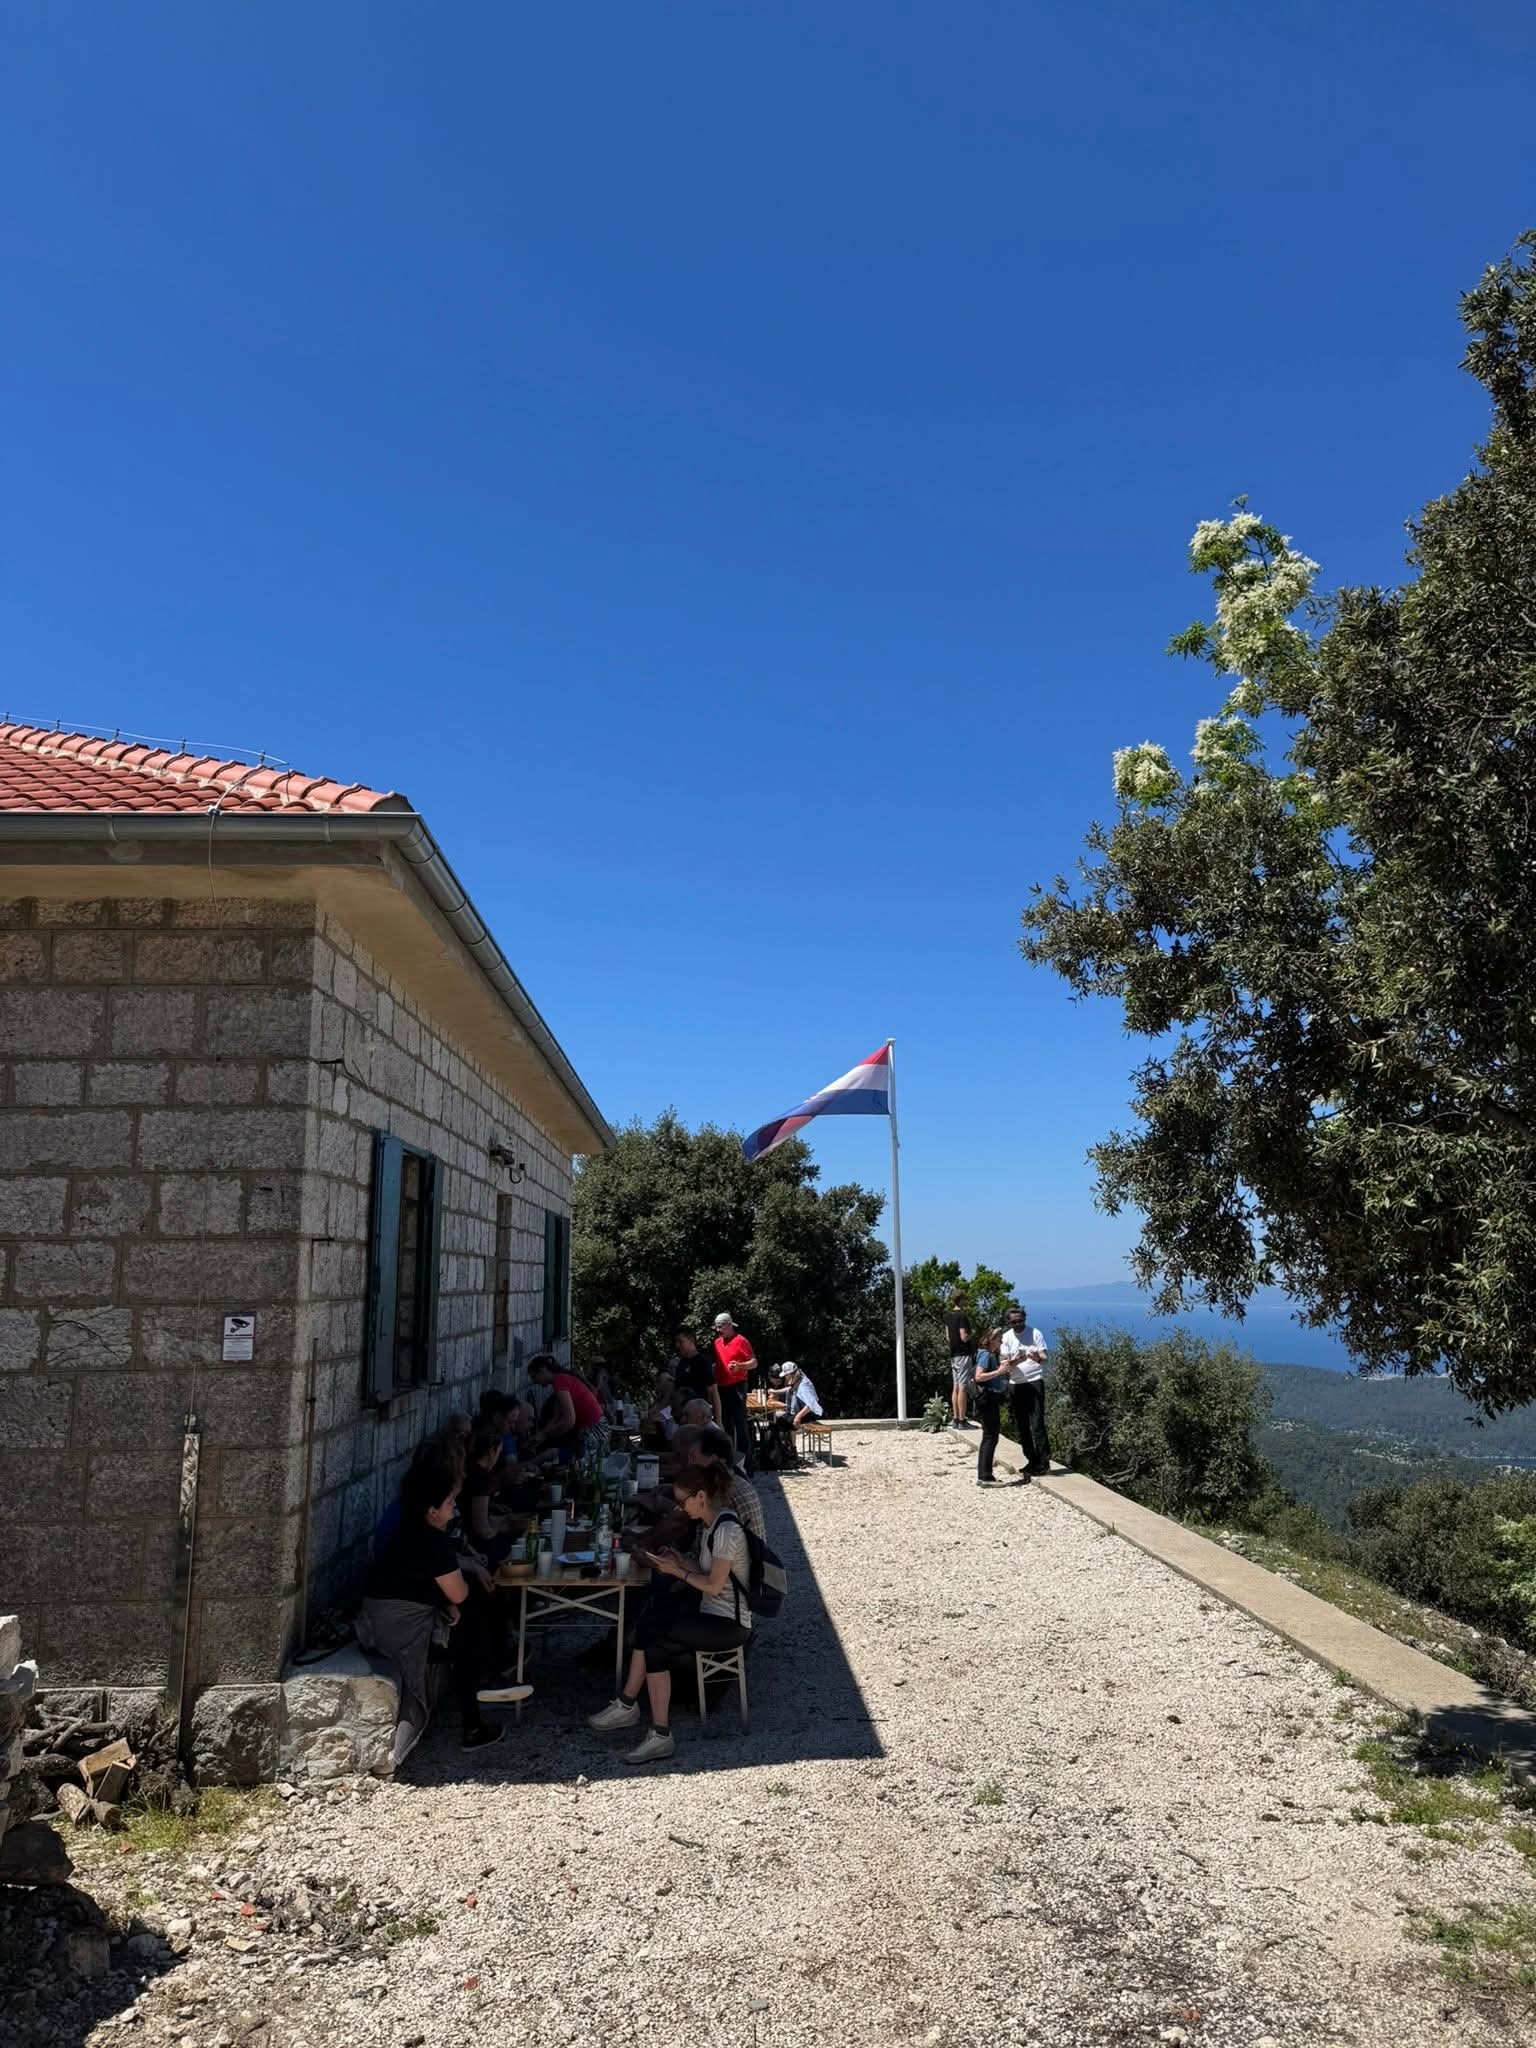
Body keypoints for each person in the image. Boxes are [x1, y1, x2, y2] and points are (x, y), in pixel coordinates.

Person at [357, 1452, 531, 1760]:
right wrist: (457, 1596)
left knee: (468, 1611)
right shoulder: (433, 1541)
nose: (453, 1509)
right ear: (432, 1510)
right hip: (400, 1633)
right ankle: (475, 1716)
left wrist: (450, 1598)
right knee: (473, 1615)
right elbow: (459, 1593)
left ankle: (489, 1675)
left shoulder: (407, 1530)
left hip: (379, 1621)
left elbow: (424, 1582)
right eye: (450, 1503)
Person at [586, 1458, 752, 1765]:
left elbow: (715, 1585)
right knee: (655, 1646)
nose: (680, 1508)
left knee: (652, 1626)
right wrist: (679, 1562)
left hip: (728, 1623)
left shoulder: (726, 1530)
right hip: (712, 1614)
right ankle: (659, 1734)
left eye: (682, 1501)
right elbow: (706, 1570)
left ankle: (628, 1705)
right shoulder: (713, 1525)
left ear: (700, 1497)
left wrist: (677, 1572)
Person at [679, 1422, 766, 1539]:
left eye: (693, 1458)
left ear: (714, 1460)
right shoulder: (736, 1480)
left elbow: (704, 1547)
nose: (689, 1463)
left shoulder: (719, 1491)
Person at [997, 1304, 1052, 1477]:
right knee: (1022, 1425)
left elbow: (1044, 1357)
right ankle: (1031, 1459)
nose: (1018, 1325)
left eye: (1021, 1321)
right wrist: (1019, 1359)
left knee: (1037, 1424)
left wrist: (1036, 1357)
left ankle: (1043, 1462)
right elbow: (1005, 1364)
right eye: (1014, 1322)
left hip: (1034, 1381)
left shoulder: (1035, 1333)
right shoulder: (1006, 1338)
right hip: (1016, 1383)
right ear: (1009, 1322)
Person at [529, 1353, 607, 1463]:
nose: (534, 1382)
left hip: (595, 1430)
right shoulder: (560, 1382)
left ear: (542, 1370)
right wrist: (540, 1435)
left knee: (562, 1457)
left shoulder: (560, 1381)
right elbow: (556, 1419)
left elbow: (569, 1421)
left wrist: (545, 1435)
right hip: (596, 1428)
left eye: (534, 1377)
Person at [712, 1312, 757, 1468]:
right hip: (722, 1387)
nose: (718, 1330)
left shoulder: (741, 1340)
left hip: (738, 1385)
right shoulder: (717, 1343)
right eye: (716, 1327)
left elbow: (754, 1362)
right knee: (725, 1424)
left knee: (740, 1424)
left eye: (721, 1327)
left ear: (729, 1325)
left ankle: (747, 1462)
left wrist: (740, 1366)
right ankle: (730, 1460)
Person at [670, 1328, 723, 1427]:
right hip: (681, 1418)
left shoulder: (703, 1361)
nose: (677, 1345)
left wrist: (718, 1420)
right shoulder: (681, 1364)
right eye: (676, 1342)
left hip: (698, 1416)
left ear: (691, 1340)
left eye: (681, 1342)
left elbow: (713, 1392)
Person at [946, 1290, 976, 1430]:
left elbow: (948, 1337)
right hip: (963, 1354)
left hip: (953, 1354)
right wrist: (972, 1334)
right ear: (961, 1299)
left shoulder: (948, 1316)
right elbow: (963, 1337)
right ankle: (962, 1420)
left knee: (956, 1386)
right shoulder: (962, 1316)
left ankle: (956, 1418)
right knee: (963, 1387)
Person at [769, 1361, 824, 1428]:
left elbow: (811, 1404)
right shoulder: (798, 1377)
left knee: (781, 1423)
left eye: (786, 1375)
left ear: (791, 1374)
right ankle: (782, 1438)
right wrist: (775, 1392)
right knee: (777, 1421)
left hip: (811, 1413)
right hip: (802, 1410)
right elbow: (790, 1388)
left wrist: (798, 1417)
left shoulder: (803, 1386)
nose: (785, 1378)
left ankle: (783, 1438)